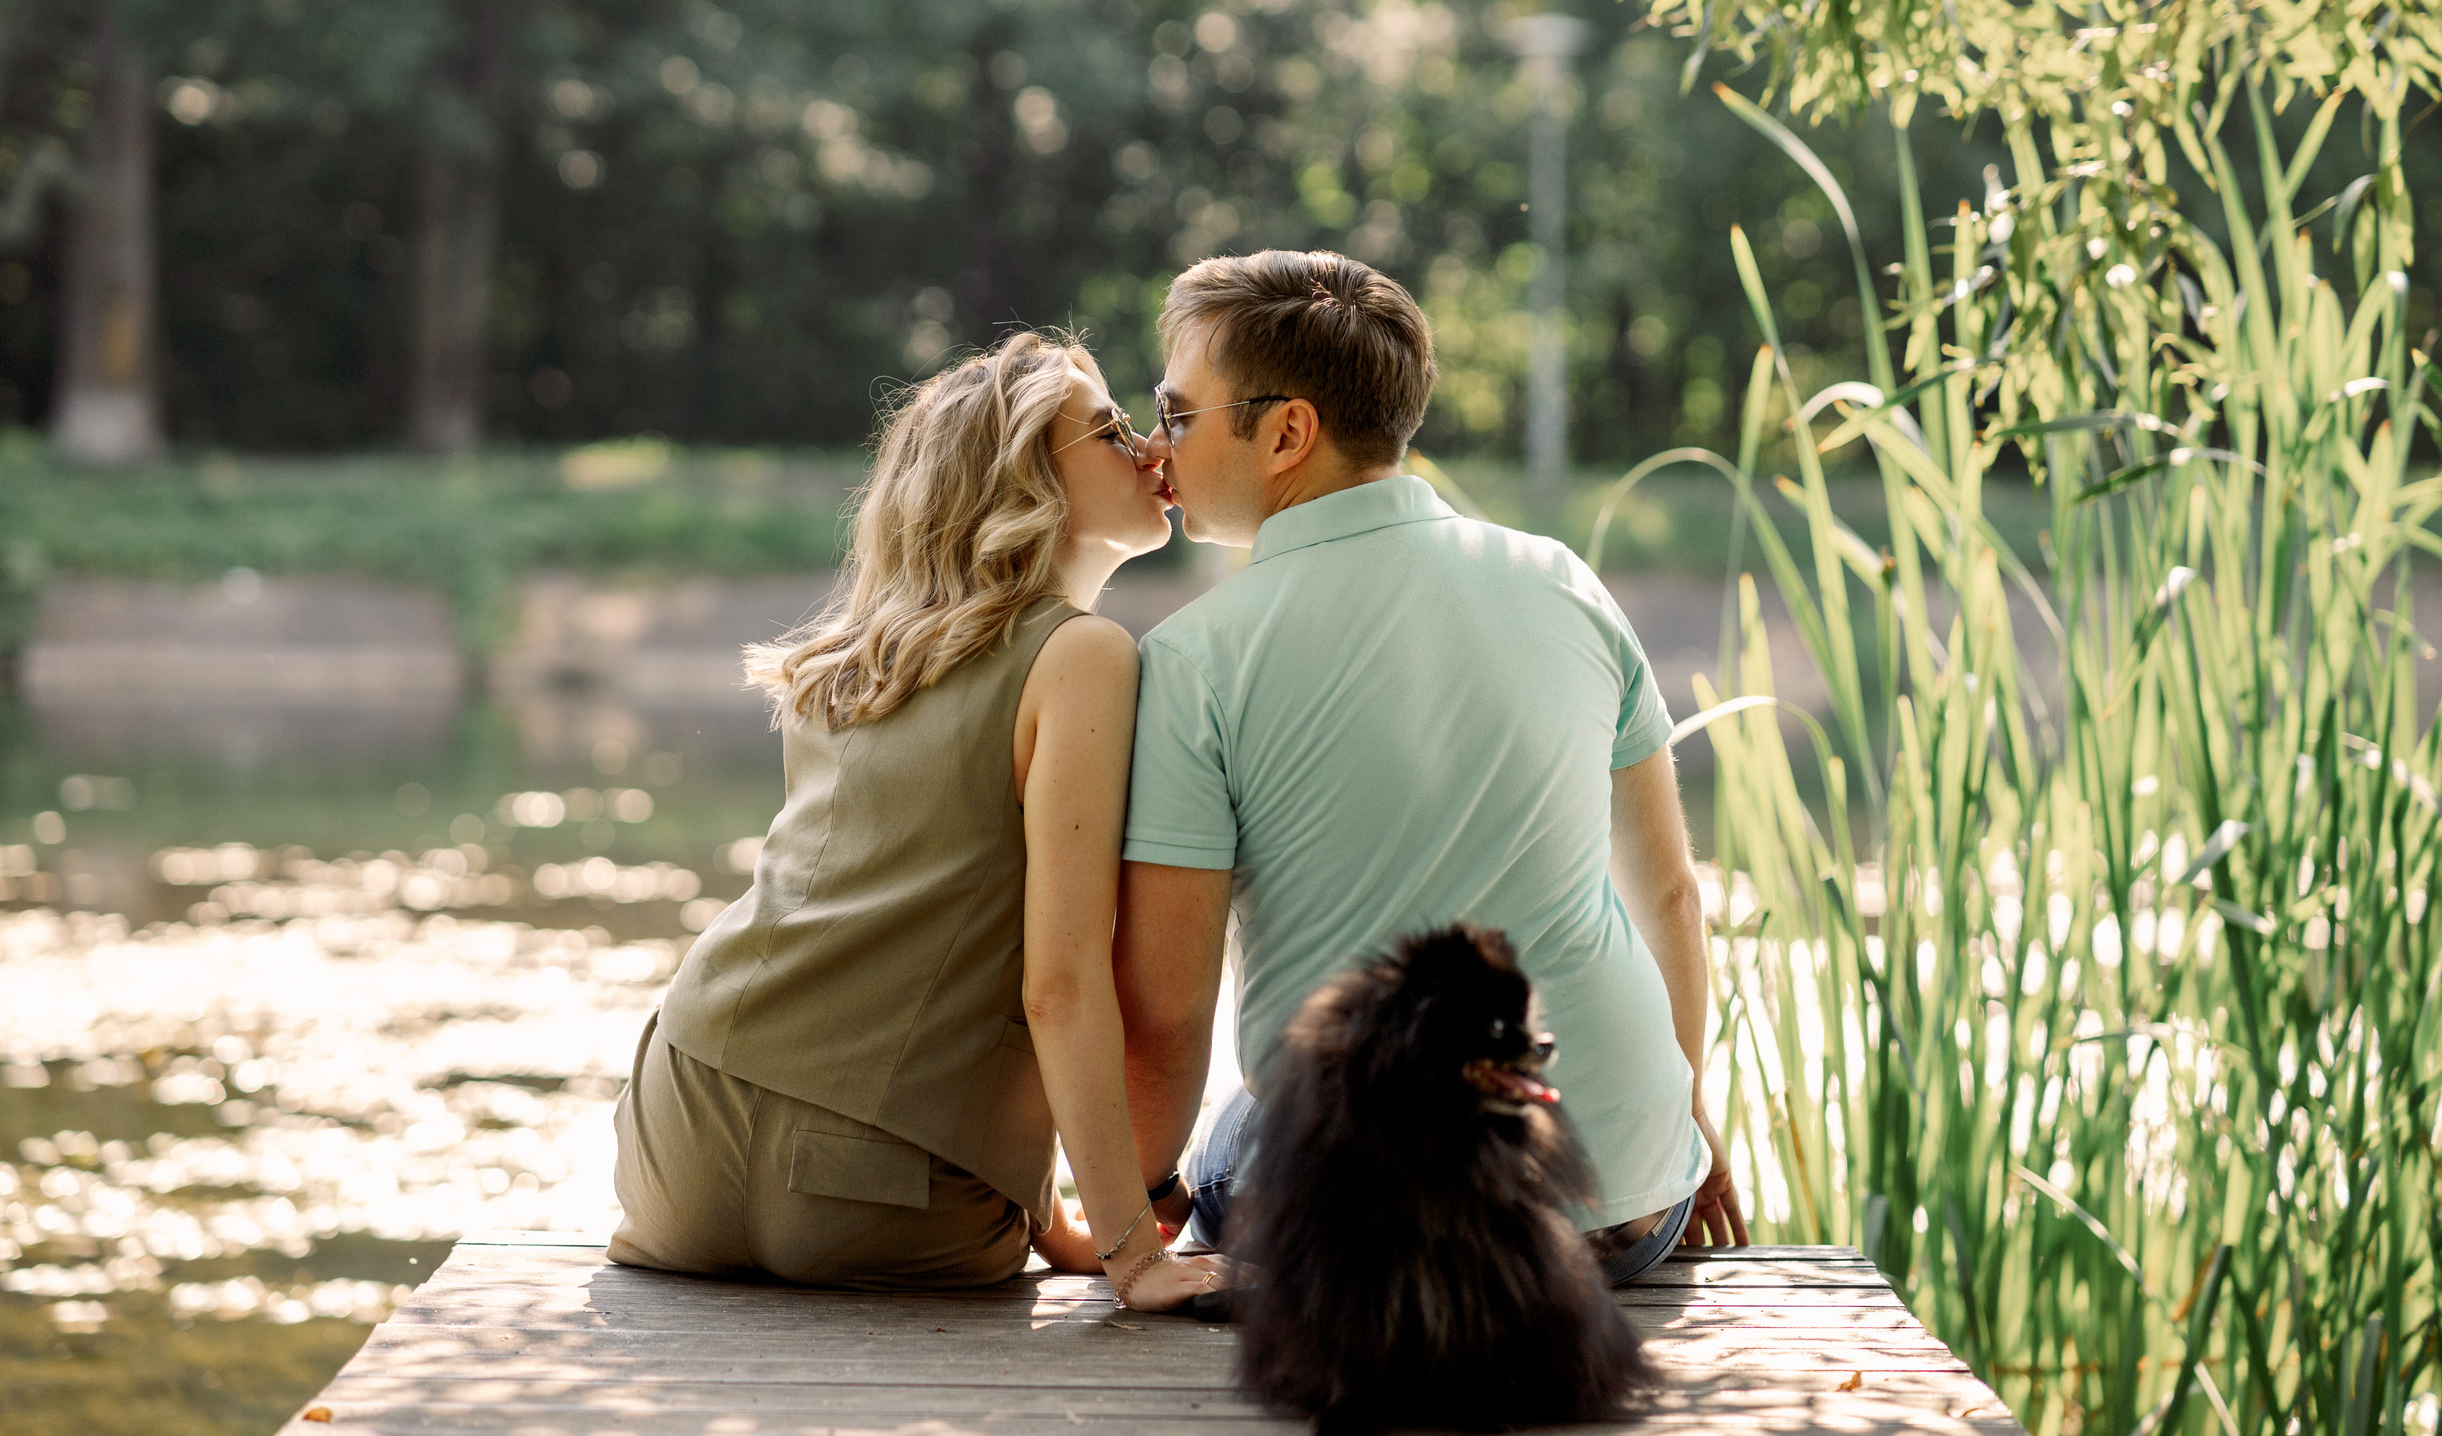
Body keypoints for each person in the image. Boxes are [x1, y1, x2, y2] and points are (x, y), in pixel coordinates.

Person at [1112, 250, 1750, 1281]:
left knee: (1230, 1143)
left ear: (1285, 432)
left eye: (1176, 413)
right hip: (1626, 1211)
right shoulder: (1563, 581)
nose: (1155, 444)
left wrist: (1135, 1211)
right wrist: (1679, 1126)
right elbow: (1669, 894)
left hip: (1383, 1235)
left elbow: (1168, 1012)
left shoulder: (1195, 658)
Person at [609, 332, 1218, 1311]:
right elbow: (1060, 983)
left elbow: (891, 928)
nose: (1151, 449)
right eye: (1110, 431)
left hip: (671, 1147)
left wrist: (1051, 1223)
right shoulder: (1083, 655)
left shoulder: (854, 657)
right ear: (1028, 481)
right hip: (879, 1202)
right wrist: (1128, 1252)